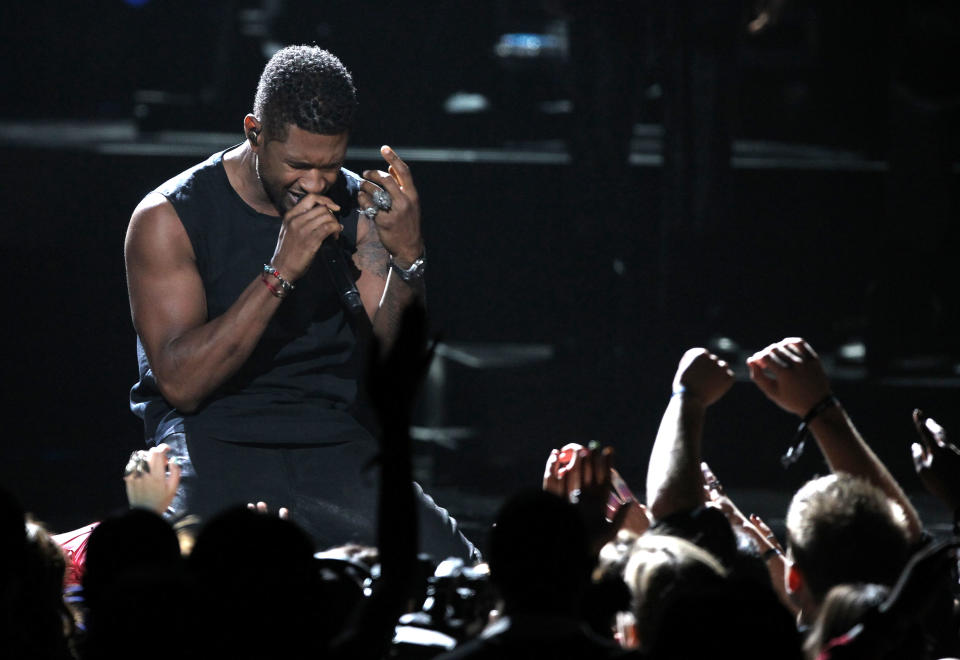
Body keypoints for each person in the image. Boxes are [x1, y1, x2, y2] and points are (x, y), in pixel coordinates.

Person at [124, 44, 476, 560]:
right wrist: (283, 269)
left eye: (329, 166)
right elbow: (183, 384)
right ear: (254, 132)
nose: (313, 184)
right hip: (211, 438)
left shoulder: (361, 213)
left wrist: (409, 260)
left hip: (331, 440)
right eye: (297, 165)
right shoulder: (169, 216)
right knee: (193, 568)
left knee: (454, 567)